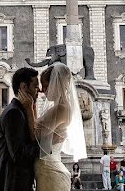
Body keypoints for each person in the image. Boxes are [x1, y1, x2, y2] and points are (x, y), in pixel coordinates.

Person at [34, 63, 87, 191]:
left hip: (50, 170)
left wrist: (29, 107)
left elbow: (40, 138)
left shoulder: (61, 108)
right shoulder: (60, 107)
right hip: (47, 168)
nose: (43, 90)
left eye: (46, 86)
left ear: (56, 84)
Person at [0, 66, 41, 191]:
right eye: (35, 86)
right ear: (24, 87)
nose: (39, 90)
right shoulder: (14, 113)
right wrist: (43, 148)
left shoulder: (19, 111)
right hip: (14, 184)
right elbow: (18, 154)